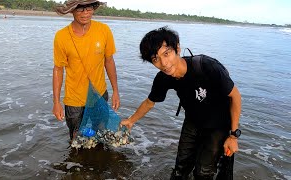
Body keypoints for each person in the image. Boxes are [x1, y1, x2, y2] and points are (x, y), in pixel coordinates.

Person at [120, 27, 242, 179]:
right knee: (180, 169)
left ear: (177, 47)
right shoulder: (163, 78)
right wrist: (131, 120)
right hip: (193, 121)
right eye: (155, 59)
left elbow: (235, 96)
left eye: (166, 53)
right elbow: (150, 102)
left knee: (203, 173)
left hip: (218, 125)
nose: (164, 63)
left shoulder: (207, 67)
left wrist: (233, 136)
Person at [52, 0, 120, 141]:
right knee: (77, 139)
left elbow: (109, 61)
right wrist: (56, 102)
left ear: (94, 8)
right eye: (80, 9)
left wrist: (116, 91)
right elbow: (58, 69)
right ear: (71, 10)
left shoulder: (104, 30)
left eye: (88, 8)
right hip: (74, 100)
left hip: (99, 95)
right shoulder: (61, 36)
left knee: (100, 134)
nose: (85, 13)